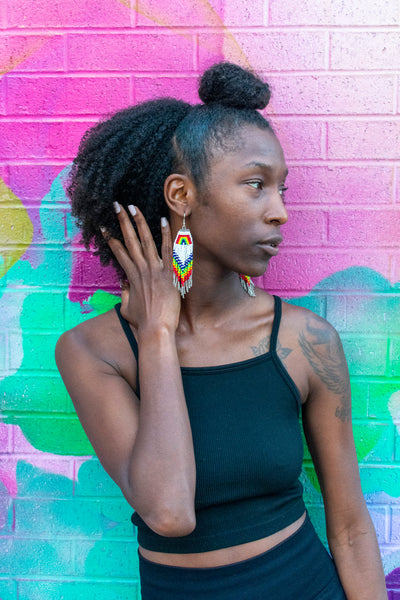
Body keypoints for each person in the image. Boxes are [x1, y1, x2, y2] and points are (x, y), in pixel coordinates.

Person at [55, 62, 387, 599]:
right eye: (256, 185)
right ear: (182, 195)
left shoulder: (306, 342)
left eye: (282, 189)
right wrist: (159, 333)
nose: (279, 212)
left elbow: (349, 528)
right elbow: (168, 511)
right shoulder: (93, 352)